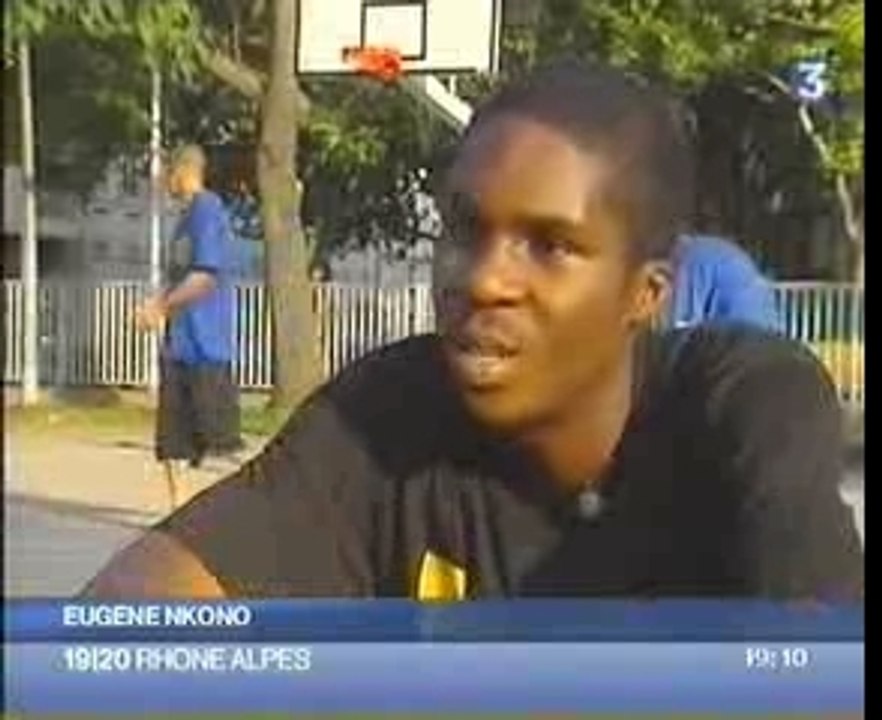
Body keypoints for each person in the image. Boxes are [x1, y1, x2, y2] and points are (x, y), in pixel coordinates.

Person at [87, 61, 862, 600]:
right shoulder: (383, 418)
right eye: (464, 229)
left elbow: (820, 658)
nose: (484, 279)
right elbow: (129, 614)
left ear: (645, 293)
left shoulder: (738, 403)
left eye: (551, 245)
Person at [135, 145, 242, 511]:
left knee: (220, 441)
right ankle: (178, 510)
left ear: (183, 171)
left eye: (166, 174)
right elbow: (182, 278)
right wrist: (156, 309)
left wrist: (161, 307)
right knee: (172, 442)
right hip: (177, 345)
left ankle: (239, 512)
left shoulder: (208, 211)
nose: (164, 182)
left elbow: (205, 278)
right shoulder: (183, 221)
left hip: (207, 346)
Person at [669, 234, 781, 332]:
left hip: (737, 329)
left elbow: (686, 316)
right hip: (768, 324)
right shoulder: (716, 247)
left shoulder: (691, 256)